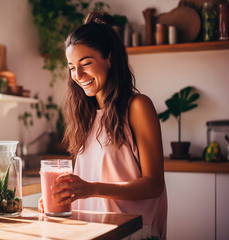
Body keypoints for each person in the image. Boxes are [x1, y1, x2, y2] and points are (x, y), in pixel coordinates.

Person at [44, 10, 167, 239]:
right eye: (71, 67)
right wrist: (62, 197)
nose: (78, 74)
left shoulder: (137, 107)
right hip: (92, 232)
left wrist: (91, 188)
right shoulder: (85, 116)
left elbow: (154, 184)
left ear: (109, 58)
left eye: (86, 63)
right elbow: (85, 185)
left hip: (133, 232)